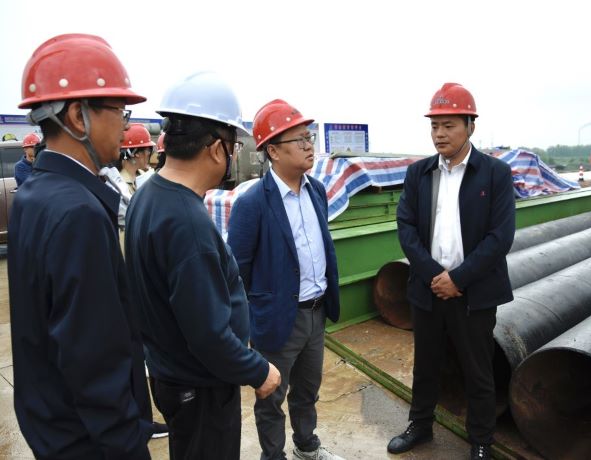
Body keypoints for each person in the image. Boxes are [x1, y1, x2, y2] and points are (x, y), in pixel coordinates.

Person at [8, 33, 153, 459]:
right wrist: (128, 445)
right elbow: (94, 360)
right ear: (77, 116)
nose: (125, 126)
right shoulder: (78, 212)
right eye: (119, 111)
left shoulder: (35, 194)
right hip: (90, 443)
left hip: (54, 427)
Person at [124, 71, 281, 460]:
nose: (233, 156)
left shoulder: (149, 195)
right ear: (215, 149)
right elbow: (208, 335)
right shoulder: (187, 222)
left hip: (170, 375)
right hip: (201, 387)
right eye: (233, 146)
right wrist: (258, 370)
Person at [387, 83, 515, 460]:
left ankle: (481, 440)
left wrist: (458, 278)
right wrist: (434, 276)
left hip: (473, 292)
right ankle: (420, 425)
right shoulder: (420, 173)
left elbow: (500, 236)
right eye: (434, 126)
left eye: (449, 125)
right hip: (428, 289)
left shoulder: (494, 173)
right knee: (426, 364)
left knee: (477, 369)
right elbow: (406, 228)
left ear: (470, 126)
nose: (440, 134)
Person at [228, 99, 343, 460]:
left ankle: (306, 445)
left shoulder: (316, 191)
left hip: (316, 312)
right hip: (278, 319)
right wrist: (254, 319)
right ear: (274, 151)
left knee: (308, 389)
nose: (310, 145)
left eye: (310, 137)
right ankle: (273, 455)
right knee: (271, 396)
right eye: (300, 140)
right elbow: (237, 273)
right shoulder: (252, 204)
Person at [118, 123, 155, 194]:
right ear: (136, 153)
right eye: (148, 150)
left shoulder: (144, 177)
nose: (149, 153)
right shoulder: (119, 184)